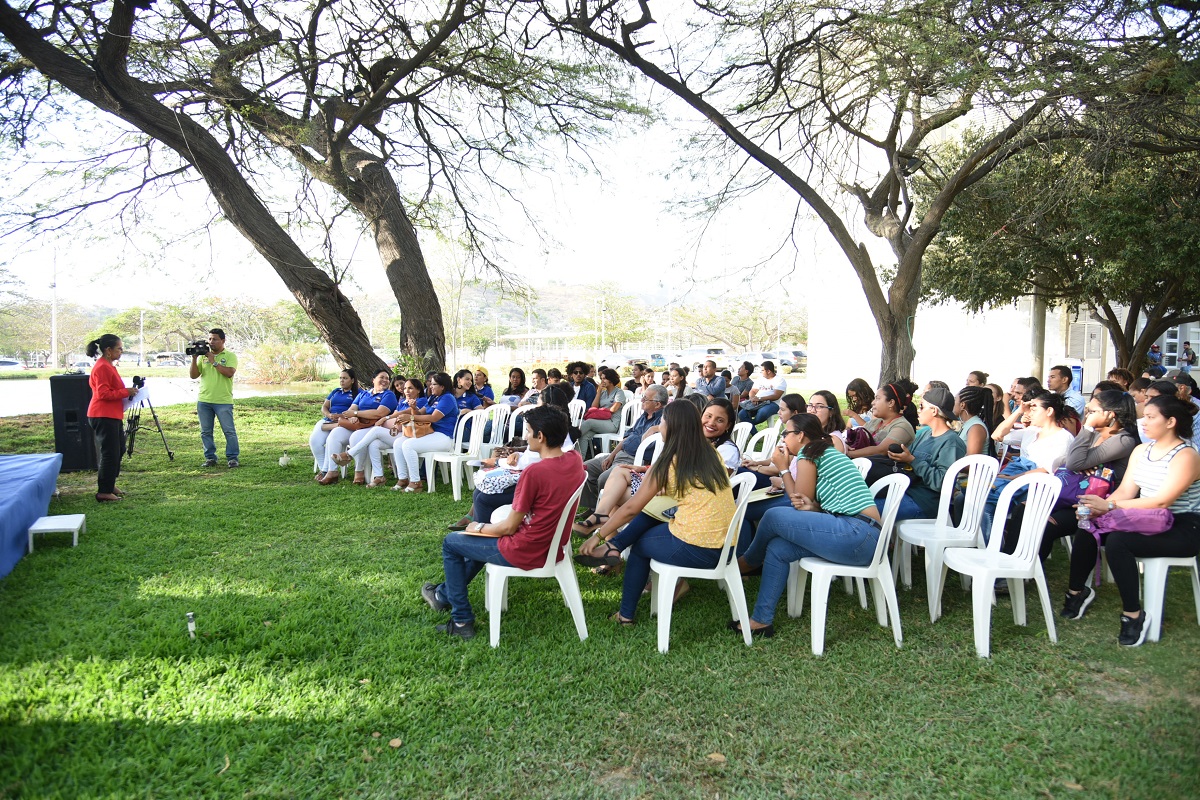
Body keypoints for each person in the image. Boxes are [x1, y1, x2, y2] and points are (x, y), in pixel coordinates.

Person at [421, 405, 585, 640]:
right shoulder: (574, 458)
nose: (525, 436)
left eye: (528, 431)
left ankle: (461, 620)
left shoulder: (535, 473)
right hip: (552, 545)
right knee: (476, 542)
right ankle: (444, 595)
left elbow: (508, 527)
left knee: (451, 543)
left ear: (541, 436)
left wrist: (478, 527)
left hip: (526, 549)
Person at [577, 401, 736, 625]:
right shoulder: (710, 452)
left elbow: (631, 508)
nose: (659, 425)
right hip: (726, 547)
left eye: (662, 420)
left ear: (670, 426)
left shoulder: (671, 461)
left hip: (701, 548)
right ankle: (615, 547)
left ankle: (625, 615)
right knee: (652, 517)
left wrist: (598, 535)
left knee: (641, 546)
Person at [1061, 395, 1200, 646]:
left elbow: (1162, 501)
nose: (1143, 423)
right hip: (1145, 518)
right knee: (1088, 528)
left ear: (1170, 421)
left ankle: (1133, 615)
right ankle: (1077, 591)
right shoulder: (1141, 450)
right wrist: (1097, 509)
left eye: (1150, 417)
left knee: (1118, 543)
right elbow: (1125, 491)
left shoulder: (1186, 454)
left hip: (1183, 526)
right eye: (1143, 416)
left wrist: (1109, 505)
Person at [732, 413, 884, 637]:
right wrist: (810, 505)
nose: (783, 439)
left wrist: (783, 468)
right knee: (778, 548)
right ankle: (761, 621)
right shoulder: (823, 452)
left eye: (786, 433)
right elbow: (807, 504)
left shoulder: (808, 453)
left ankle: (747, 563)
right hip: (860, 538)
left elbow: (797, 501)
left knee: (773, 516)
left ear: (800, 435)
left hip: (857, 533)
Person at [1005, 390, 1139, 559]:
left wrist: (1087, 428)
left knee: (1046, 525)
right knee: (1022, 508)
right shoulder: (1096, 435)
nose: (1088, 415)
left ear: (1110, 414)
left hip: (1095, 502)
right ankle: (1010, 560)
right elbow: (1062, 461)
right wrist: (1079, 463)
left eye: (1093, 412)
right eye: (1088, 412)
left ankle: (1026, 567)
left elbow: (1074, 462)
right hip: (1073, 493)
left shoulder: (1122, 440)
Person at [577, 384, 667, 512]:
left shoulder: (664, 421)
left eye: (645, 399)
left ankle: (603, 511)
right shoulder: (643, 416)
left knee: (603, 478)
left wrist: (656, 428)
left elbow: (679, 427)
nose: (641, 400)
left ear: (657, 405)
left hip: (634, 461)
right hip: (620, 454)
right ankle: (593, 506)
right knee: (585, 469)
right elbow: (626, 438)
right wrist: (611, 456)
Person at [880, 388, 967, 521]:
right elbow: (907, 457)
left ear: (934, 410)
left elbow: (942, 482)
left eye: (921, 406)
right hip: (905, 492)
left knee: (867, 511)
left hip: (924, 502)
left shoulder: (952, 442)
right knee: (862, 503)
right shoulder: (925, 433)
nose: (918, 410)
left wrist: (913, 460)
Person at [320, 370, 398, 484]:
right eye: (382, 377)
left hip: (373, 425)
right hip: (356, 424)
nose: (385, 380)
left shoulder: (388, 395)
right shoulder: (364, 393)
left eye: (387, 378)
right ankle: (332, 471)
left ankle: (359, 471)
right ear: (373, 379)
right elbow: (351, 409)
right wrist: (352, 417)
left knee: (355, 437)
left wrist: (357, 414)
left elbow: (379, 413)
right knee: (334, 435)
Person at [86, 334, 138, 502]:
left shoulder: (109, 365)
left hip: (112, 415)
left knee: (119, 450)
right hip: (102, 415)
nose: (121, 351)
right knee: (110, 453)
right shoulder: (102, 367)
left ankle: (110, 483)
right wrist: (126, 392)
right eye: (119, 348)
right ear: (108, 350)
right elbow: (103, 393)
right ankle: (104, 491)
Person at [391, 371, 459, 492]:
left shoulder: (448, 398)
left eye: (433, 384)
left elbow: (434, 418)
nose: (430, 386)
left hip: (444, 437)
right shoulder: (433, 398)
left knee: (408, 445)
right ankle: (403, 479)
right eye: (430, 384)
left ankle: (416, 482)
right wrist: (413, 408)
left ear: (442, 386)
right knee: (398, 443)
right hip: (430, 433)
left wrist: (410, 417)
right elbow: (420, 414)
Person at [189, 328, 239, 467]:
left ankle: (233, 458)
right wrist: (194, 359)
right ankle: (210, 458)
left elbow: (229, 373)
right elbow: (193, 375)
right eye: (210, 339)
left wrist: (214, 361)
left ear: (223, 341)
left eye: (215, 339)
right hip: (204, 400)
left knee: (229, 431)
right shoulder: (202, 357)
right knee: (205, 432)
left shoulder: (230, 356)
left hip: (223, 401)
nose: (211, 342)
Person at [845, 379, 918, 459]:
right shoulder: (876, 422)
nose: (873, 402)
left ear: (891, 403)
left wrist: (847, 453)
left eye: (878, 398)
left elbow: (881, 450)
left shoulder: (903, 426)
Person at [309, 369, 360, 474]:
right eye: (340, 378)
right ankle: (323, 466)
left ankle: (325, 471)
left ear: (352, 380)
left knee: (330, 441)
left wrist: (342, 416)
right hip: (328, 420)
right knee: (314, 441)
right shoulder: (335, 391)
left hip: (343, 423)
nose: (342, 381)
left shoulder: (359, 393)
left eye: (345, 378)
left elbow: (359, 410)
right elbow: (324, 407)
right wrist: (329, 415)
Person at [578, 367, 628, 457]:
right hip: (601, 422)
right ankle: (579, 462)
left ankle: (570, 439)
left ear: (611, 379)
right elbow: (594, 407)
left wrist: (601, 410)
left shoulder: (619, 392)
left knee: (588, 422)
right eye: (601, 379)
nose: (602, 381)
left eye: (604, 378)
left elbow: (614, 409)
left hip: (612, 424)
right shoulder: (603, 393)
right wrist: (599, 391)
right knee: (584, 436)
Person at [737, 360, 787, 426]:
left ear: (768, 371)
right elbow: (753, 391)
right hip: (758, 402)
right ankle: (755, 433)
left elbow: (776, 396)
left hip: (774, 403)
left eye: (762, 370)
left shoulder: (780, 380)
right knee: (742, 413)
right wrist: (752, 398)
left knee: (762, 412)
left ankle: (750, 426)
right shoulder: (760, 379)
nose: (761, 372)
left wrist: (760, 398)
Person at [956, 385, 995, 457]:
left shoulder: (976, 428)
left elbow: (971, 463)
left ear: (962, 405)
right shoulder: (968, 423)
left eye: (955, 400)